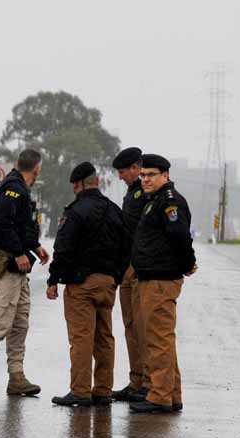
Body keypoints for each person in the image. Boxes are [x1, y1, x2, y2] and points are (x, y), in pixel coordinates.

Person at [46, 162, 130, 407]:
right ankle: (103, 389)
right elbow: (127, 247)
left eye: (74, 185)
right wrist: (116, 275)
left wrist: (53, 279)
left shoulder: (75, 211)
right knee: (104, 337)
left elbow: (63, 248)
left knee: (82, 337)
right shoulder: (114, 210)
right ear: (97, 182)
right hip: (108, 283)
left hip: (81, 285)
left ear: (79, 184)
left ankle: (80, 391)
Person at [0, 149, 50, 396]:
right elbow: (1, 224)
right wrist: (18, 252)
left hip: (17, 270)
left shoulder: (21, 189)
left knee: (19, 325)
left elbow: (21, 226)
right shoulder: (13, 188)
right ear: (37, 168)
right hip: (4, 265)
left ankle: (16, 377)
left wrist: (35, 247)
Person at [129, 154, 197, 413]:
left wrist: (187, 264)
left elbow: (180, 237)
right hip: (151, 276)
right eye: (143, 175)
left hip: (161, 279)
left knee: (158, 340)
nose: (145, 179)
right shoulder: (154, 201)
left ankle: (159, 396)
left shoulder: (169, 202)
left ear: (165, 175)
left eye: (151, 175)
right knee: (162, 340)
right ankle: (172, 394)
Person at [110, 147, 150, 403]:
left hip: (138, 270)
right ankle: (136, 381)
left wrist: (134, 265)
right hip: (126, 271)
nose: (121, 176)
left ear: (136, 168)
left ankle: (148, 383)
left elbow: (143, 234)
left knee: (143, 330)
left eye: (124, 171)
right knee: (130, 329)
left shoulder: (145, 193)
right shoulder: (131, 193)